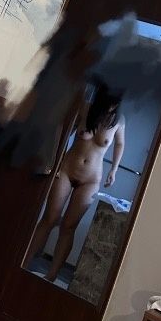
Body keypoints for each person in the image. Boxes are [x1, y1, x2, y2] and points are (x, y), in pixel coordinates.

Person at [27, 80, 125, 282]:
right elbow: (65, 132)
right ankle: (24, 261)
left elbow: (120, 143)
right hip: (66, 170)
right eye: (109, 102)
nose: (112, 107)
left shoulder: (119, 120)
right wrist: (54, 157)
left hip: (91, 180)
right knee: (50, 218)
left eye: (116, 104)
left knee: (68, 227)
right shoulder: (85, 108)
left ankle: (51, 275)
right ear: (102, 98)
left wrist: (114, 170)